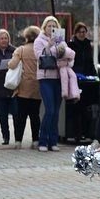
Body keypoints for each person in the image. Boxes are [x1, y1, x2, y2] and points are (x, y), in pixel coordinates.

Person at [34, 16, 66, 152]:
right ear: (44, 27)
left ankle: (53, 141)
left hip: (58, 77)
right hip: (45, 77)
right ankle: (43, 140)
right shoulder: (39, 40)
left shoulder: (61, 40)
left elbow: (66, 54)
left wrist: (61, 47)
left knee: (56, 112)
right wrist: (49, 45)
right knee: (50, 110)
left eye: (54, 26)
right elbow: (39, 56)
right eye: (49, 26)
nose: (51, 28)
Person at [8, 26, 42, 149]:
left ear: (26, 37)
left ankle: (18, 141)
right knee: (35, 116)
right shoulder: (41, 50)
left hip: (23, 88)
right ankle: (36, 141)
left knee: (20, 116)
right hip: (37, 87)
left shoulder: (21, 50)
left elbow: (12, 65)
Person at [65, 22, 96, 145]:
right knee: (76, 108)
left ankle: (86, 132)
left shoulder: (88, 45)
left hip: (87, 79)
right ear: (76, 33)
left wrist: (94, 75)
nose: (82, 34)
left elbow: (90, 62)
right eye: (80, 32)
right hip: (75, 77)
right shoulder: (71, 45)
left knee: (86, 108)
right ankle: (77, 134)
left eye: (84, 32)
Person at [0, 29, 18, 146]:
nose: (4, 40)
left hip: (12, 87)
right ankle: (5, 136)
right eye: (2, 38)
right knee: (2, 115)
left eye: (6, 38)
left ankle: (18, 136)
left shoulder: (15, 51)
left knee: (16, 114)